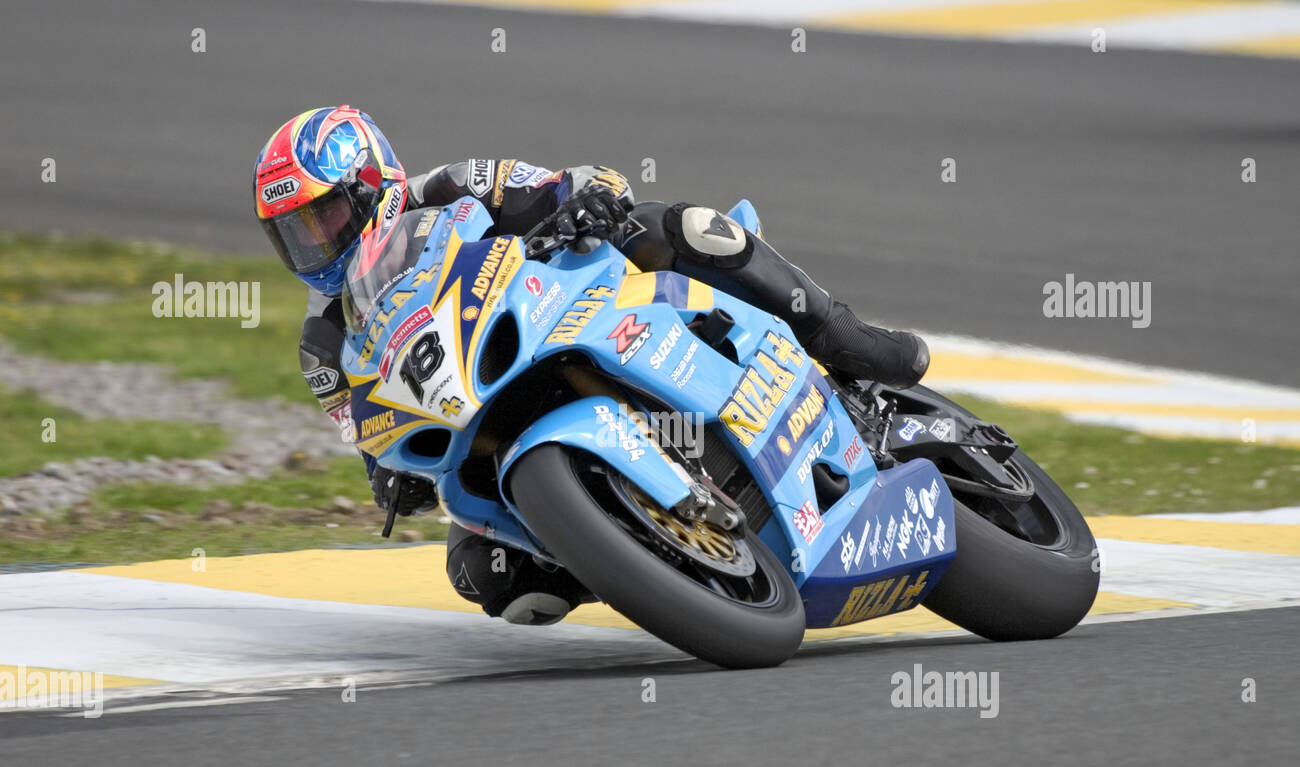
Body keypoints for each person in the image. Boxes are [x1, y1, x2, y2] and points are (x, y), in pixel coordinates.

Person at [254, 105, 930, 625]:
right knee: (487, 580)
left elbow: (571, 182)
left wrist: (584, 201)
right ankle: (645, 556)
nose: (315, 243)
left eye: (325, 217)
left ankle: (846, 337)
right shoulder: (323, 340)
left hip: (571, 308)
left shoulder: (452, 185)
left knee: (673, 227)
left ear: (370, 182)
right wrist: (388, 477)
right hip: (484, 417)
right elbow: (364, 432)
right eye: (295, 234)